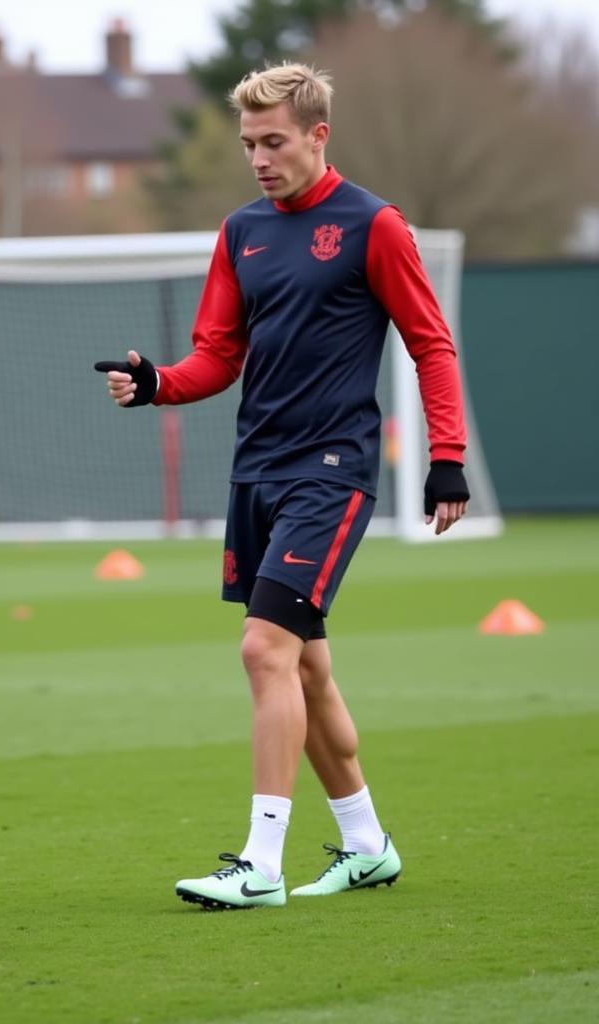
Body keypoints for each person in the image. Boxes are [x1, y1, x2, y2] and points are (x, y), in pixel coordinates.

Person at [95, 63, 469, 909]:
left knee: (265, 650)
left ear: (317, 135)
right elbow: (217, 356)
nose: (259, 159)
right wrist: (157, 383)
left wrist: (446, 457)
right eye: (248, 145)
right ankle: (368, 844)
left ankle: (261, 865)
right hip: (256, 471)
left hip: (330, 473)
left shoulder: (374, 225)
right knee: (305, 674)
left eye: (274, 142)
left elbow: (431, 346)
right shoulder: (241, 232)